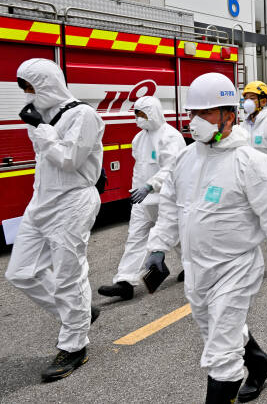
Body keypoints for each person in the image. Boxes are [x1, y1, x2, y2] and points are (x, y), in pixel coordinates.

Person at [146, 73, 267, 402]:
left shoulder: (250, 162)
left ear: (229, 116)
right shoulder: (185, 159)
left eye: (205, 114)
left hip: (234, 269)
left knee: (221, 355)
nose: (196, 121)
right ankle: (259, 363)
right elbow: (170, 209)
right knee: (218, 332)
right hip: (196, 269)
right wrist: (158, 248)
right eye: (193, 113)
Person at [5, 58, 104, 381]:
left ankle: (74, 346)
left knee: (68, 275)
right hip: (42, 202)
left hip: (73, 201)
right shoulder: (43, 117)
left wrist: (41, 130)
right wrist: (39, 127)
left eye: (31, 88)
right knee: (20, 272)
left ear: (47, 85)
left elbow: (69, 159)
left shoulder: (83, 115)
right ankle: (78, 314)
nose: (28, 96)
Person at [97, 97, 186, 300]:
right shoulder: (139, 139)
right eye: (136, 114)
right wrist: (137, 190)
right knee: (135, 239)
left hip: (166, 199)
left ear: (153, 112)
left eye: (142, 114)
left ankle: (192, 268)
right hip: (143, 201)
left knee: (178, 238)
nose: (138, 119)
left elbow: (171, 169)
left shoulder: (170, 137)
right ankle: (125, 282)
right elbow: (140, 168)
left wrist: (150, 186)